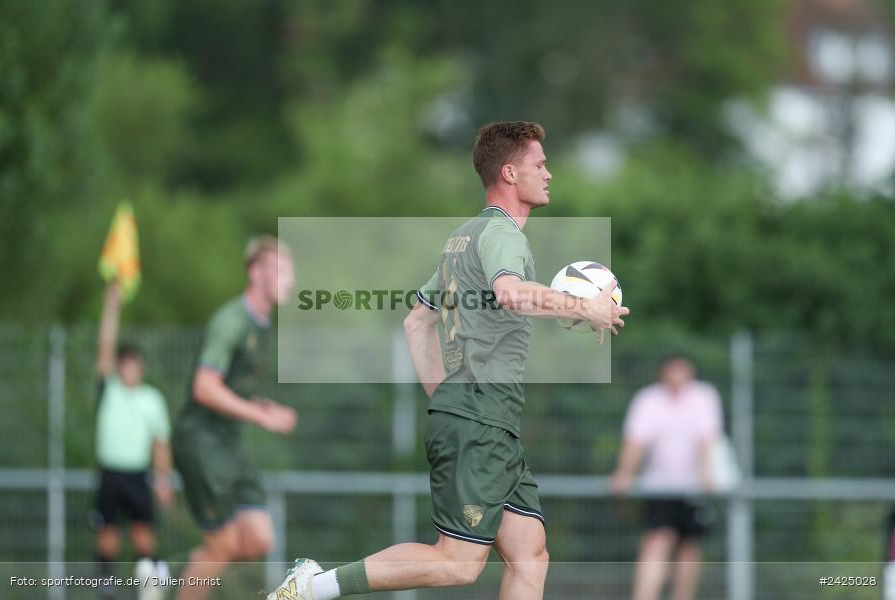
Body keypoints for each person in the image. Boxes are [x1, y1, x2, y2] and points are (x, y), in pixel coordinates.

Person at [267, 121, 629, 600]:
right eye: (539, 164)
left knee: (529, 555)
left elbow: (418, 321)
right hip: (480, 419)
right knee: (456, 564)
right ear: (509, 172)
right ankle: (314, 587)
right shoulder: (503, 235)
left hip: (480, 418)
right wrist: (586, 307)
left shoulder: (463, 236)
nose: (549, 173)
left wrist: (446, 399)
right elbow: (511, 294)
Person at [173, 236, 299, 600]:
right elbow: (204, 387)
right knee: (224, 545)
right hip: (201, 441)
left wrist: (262, 407)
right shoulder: (231, 321)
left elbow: (232, 390)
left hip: (227, 443)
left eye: (290, 272)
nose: (288, 280)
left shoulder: (261, 325)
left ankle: (167, 573)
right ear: (255, 273)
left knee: (259, 538)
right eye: (280, 270)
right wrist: (261, 419)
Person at [610, 354, 723, 600]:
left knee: (689, 548)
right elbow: (636, 440)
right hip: (659, 486)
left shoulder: (703, 396)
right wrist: (625, 473)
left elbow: (706, 438)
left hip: (694, 488)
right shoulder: (649, 399)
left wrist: (706, 474)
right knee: (657, 542)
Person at [93, 281, 172, 599]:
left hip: (137, 476)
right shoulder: (109, 390)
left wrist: (163, 479)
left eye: (133, 364)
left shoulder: (151, 399)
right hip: (110, 473)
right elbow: (104, 348)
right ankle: (105, 587)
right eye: (122, 364)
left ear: (141, 368)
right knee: (107, 533)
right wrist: (112, 306)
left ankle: (150, 586)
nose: (127, 369)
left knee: (143, 536)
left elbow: (160, 443)